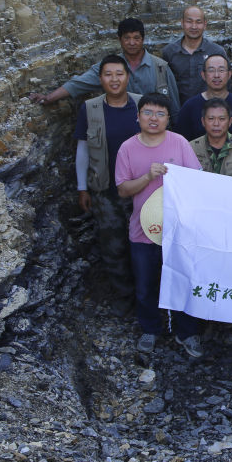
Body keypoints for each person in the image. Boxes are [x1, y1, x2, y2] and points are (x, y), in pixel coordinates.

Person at [114, 93, 205, 357]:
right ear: (138, 116)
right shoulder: (127, 148)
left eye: (160, 114)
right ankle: (150, 329)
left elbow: (197, 181)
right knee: (145, 285)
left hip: (178, 232)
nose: (153, 118)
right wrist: (147, 176)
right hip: (142, 232)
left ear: (168, 119)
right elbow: (122, 190)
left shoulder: (179, 143)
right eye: (148, 112)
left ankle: (187, 332)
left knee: (182, 281)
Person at [72, 55, 140, 314]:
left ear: (128, 77)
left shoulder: (142, 104)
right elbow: (82, 150)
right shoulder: (89, 108)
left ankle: (149, 296)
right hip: (105, 192)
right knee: (113, 246)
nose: (114, 79)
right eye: (108, 74)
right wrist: (82, 188)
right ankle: (124, 297)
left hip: (141, 191)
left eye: (119, 74)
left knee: (145, 246)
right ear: (100, 79)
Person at [29, 18, 180, 121]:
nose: (132, 43)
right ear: (120, 39)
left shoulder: (161, 67)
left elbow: (174, 107)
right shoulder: (109, 67)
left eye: (136, 38)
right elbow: (78, 83)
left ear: (143, 39)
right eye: (127, 38)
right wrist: (49, 98)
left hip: (156, 133)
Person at [177, 54, 232, 141]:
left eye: (221, 70)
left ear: (229, 74)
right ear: (203, 75)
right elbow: (181, 143)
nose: (216, 75)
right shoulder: (189, 107)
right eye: (211, 70)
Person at [161, 6, 228, 102]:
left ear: (205, 24)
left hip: (210, 108)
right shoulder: (169, 52)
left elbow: (226, 86)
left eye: (198, 22)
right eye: (189, 21)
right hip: (179, 109)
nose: (194, 26)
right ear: (182, 23)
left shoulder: (216, 52)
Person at [189, 98, 232, 177]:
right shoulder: (191, 148)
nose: (216, 124)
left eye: (222, 119)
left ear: (230, 121)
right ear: (203, 121)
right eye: (211, 119)